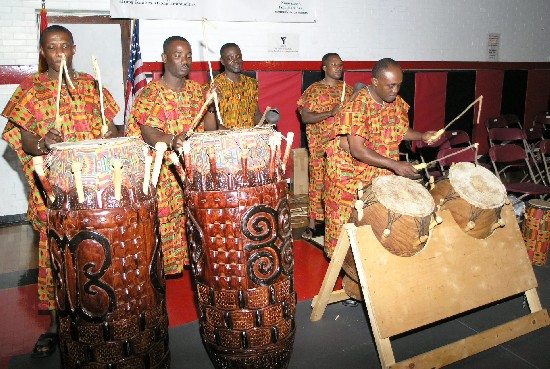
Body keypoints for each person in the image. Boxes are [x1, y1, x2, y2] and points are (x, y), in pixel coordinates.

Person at [1, 25, 119, 357]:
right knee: (54, 257)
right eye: (52, 47)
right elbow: (23, 139)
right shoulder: (31, 89)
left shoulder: (89, 86)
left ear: (74, 48)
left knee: (94, 256)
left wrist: (109, 131)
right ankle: (55, 324)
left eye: (64, 46)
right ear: (43, 52)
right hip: (53, 192)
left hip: (91, 190)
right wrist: (41, 142)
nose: (59, 52)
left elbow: (110, 126)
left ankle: (95, 315)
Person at [324, 58, 437, 259]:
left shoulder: (394, 103)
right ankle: (340, 271)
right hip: (347, 177)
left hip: (376, 172)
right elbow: (357, 150)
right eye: (391, 85)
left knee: (373, 224)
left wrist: (421, 136)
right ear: (375, 82)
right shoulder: (358, 105)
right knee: (344, 232)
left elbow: (398, 130)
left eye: (399, 85)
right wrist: (395, 165)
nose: (395, 90)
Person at [126, 36, 217, 276]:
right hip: (164, 176)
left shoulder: (197, 91)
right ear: (164, 58)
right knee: (163, 232)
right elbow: (148, 132)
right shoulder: (151, 94)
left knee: (197, 229)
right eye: (178, 55)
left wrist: (210, 103)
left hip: (193, 173)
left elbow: (210, 129)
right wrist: (170, 139)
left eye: (188, 55)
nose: (185, 60)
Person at [297, 53, 353, 240]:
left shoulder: (348, 90)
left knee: (339, 185)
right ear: (325, 68)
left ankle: (336, 223)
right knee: (318, 184)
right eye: (334, 64)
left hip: (343, 149)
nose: (338, 67)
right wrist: (330, 112)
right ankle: (312, 225)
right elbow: (305, 117)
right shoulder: (314, 90)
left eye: (340, 64)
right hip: (320, 148)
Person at [209, 43, 262, 129]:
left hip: (249, 139)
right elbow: (213, 125)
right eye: (230, 58)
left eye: (238, 57)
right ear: (222, 61)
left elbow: (256, 114)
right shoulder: (215, 86)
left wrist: (267, 123)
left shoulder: (252, 83)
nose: (236, 60)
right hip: (227, 140)